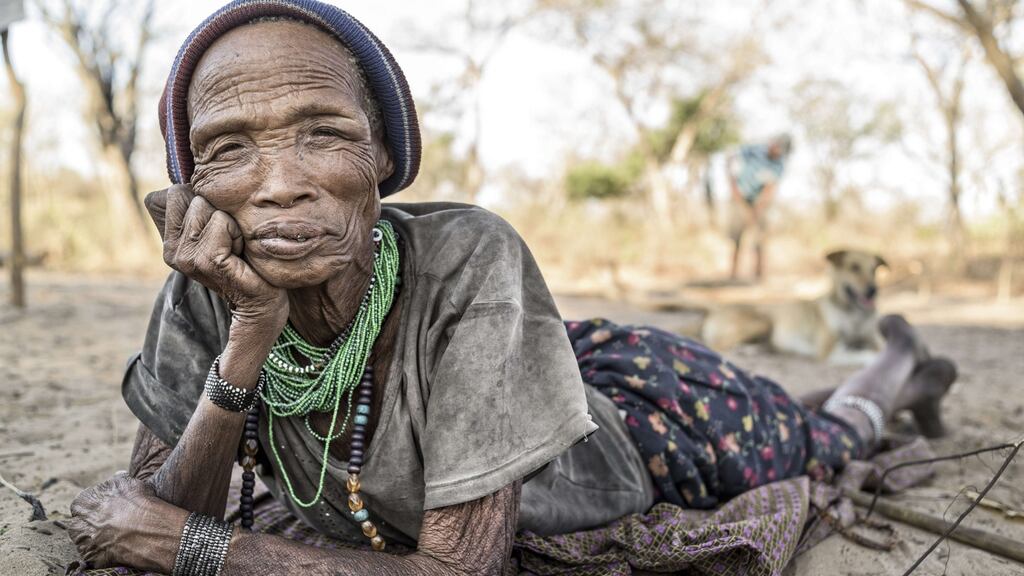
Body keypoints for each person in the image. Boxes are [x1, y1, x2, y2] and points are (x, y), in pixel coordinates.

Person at [66, 2, 956, 575]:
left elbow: (456, 571)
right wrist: (250, 337)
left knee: (811, 437)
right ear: (191, 182)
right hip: (527, 363)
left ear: (383, 158)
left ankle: (901, 364)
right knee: (783, 402)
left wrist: (196, 550)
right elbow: (159, 502)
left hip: (629, 425)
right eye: (229, 148)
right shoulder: (208, 284)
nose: (277, 182)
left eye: (321, 134)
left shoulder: (469, 257)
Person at [726, 134, 792, 280]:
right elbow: (732, 161)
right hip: (739, 196)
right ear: (774, 143)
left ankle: (759, 274)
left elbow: (770, 188)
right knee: (736, 236)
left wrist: (758, 208)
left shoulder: (779, 165)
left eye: (781, 151)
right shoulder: (752, 150)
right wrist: (735, 191)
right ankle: (733, 274)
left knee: (760, 237)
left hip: (760, 202)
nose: (777, 152)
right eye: (777, 147)